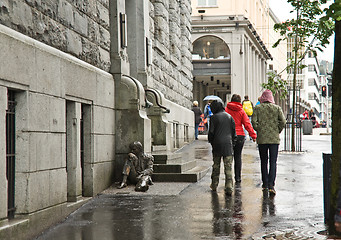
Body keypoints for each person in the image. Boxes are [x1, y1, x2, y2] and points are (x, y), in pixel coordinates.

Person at [252, 89, 286, 196]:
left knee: (263, 161)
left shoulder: (257, 108)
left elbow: (254, 122)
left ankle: (265, 184)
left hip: (262, 139)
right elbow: (283, 121)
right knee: (273, 162)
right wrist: (277, 130)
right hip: (274, 139)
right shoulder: (277, 108)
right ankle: (271, 184)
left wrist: (259, 129)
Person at [225, 94, 257, 183]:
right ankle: (238, 177)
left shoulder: (226, 110)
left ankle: (229, 177)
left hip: (229, 135)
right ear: (239, 102)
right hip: (240, 136)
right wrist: (253, 135)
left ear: (231, 100)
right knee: (238, 156)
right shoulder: (241, 111)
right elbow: (247, 124)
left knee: (228, 157)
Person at [208, 99, 236, 196]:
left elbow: (211, 133)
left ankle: (214, 184)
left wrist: (211, 141)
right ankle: (229, 187)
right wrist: (233, 143)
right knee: (228, 167)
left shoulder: (213, 118)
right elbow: (233, 133)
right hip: (228, 144)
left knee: (216, 166)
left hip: (217, 144)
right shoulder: (229, 117)